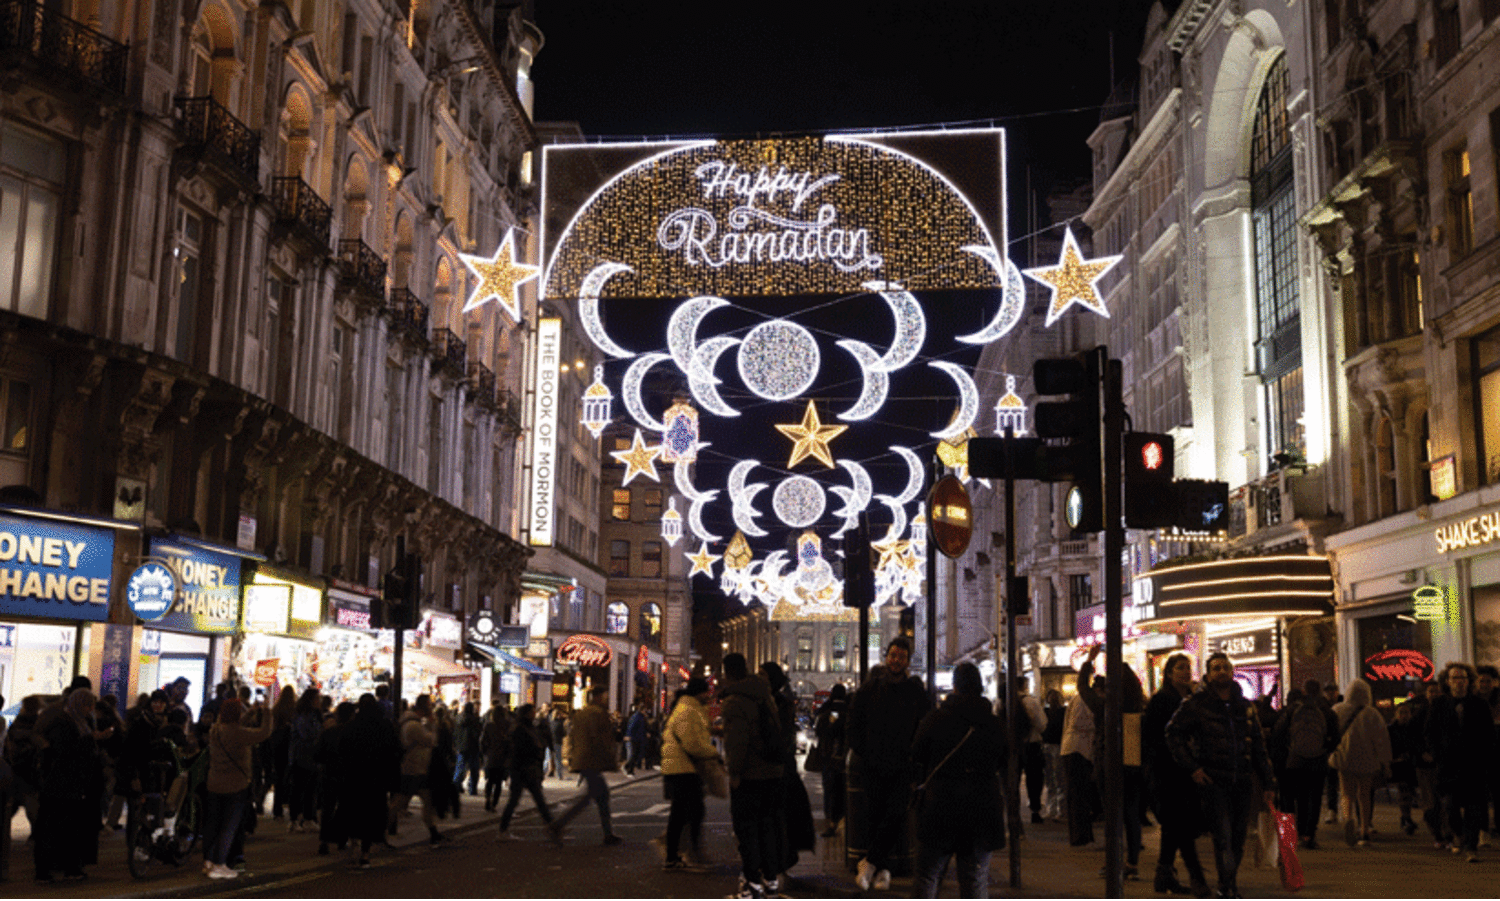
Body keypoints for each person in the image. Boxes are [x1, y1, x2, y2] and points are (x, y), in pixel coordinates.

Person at [1165, 652, 1276, 900]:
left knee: (1237, 839)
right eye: (1216, 668)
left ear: (1232, 671)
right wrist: (1192, 767)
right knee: (1223, 836)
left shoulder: (1245, 706)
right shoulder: (1197, 703)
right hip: (1214, 781)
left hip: (1243, 780)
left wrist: (1269, 781)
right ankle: (1227, 887)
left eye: (1225, 667)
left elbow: (1258, 745)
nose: (1221, 672)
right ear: (1208, 674)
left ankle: (1228, 883)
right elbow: (1173, 734)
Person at [909, 662, 1005, 899]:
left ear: (954, 687)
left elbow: (916, 754)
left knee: (927, 876)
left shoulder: (935, 719)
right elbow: (1005, 758)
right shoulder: (993, 724)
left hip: (940, 807)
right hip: (981, 809)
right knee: (974, 879)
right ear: (980, 686)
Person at [846, 636, 931, 892]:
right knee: (875, 817)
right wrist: (864, 752)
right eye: (893, 655)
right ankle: (883, 870)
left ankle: (870, 863)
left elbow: (923, 730)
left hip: (903, 766)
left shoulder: (916, 692)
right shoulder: (869, 689)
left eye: (901, 657)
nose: (896, 661)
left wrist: (916, 763)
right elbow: (853, 725)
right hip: (873, 764)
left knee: (894, 815)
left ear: (907, 661)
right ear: (886, 657)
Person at [1076, 644, 1146, 880]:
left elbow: (1082, 686)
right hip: (1133, 765)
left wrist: (1089, 660)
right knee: (1132, 815)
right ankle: (1132, 863)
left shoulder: (1105, 708)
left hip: (1109, 765)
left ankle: (1114, 862)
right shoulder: (1137, 710)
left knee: (1113, 815)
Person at [720, 652, 784, 900]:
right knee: (767, 827)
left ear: (728, 673)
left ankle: (752, 886)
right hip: (772, 772)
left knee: (747, 831)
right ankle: (771, 882)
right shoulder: (765, 694)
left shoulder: (735, 700)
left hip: (750, 774)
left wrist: (734, 773)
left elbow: (737, 743)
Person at [1144, 653, 1207, 897]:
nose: (1185, 672)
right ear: (1169, 673)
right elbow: (1152, 737)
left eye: (1188, 667)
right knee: (1179, 824)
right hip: (1167, 772)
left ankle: (1164, 874)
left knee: (1174, 826)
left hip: (1187, 770)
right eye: (1180, 668)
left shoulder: (1190, 699)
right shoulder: (1162, 700)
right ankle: (1197, 877)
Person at [33, 689, 107, 883]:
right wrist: (92, 739)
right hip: (60, 783)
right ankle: (50, 870)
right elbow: (65, 751)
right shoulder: (64, 722)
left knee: (68, 827)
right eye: (87, 704)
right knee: (58, 827)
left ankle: (67, 867)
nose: (90, 709)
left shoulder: (80, 722)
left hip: (72, 783)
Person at [1427, 661, 1495, 861]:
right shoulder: (1439, 705)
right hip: (1448, 766)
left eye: (1463, 678)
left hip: (1473, 765)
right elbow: (1430, 732)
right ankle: (1459, 834)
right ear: (1447, 682)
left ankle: (1471, 846)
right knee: (1450, 806)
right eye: (1455, 678)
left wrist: (1485, 757)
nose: (1459, 682)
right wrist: (1437, 753)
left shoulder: (1479, 704)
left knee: (1474, 807)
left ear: (1469, 681)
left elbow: (1488, 734)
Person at [203, 698, 273, 880]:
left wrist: (250, 712)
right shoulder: (240, 733)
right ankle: (220, 864)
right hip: (235, 785)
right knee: (229, 827)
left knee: (213, 825)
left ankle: (208, 861)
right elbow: (264, 733)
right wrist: (266, 712)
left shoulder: (215, 730)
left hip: (213, 783)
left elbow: (233, 723)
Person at [761, 661, 814, 888]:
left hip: (778, 770)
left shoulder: (777, 703)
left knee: (777, 819)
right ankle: (778, 864)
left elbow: (778, 738)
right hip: (780, 768)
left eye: (763, 675)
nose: (759, 678)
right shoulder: (775, 701)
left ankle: (778, 865)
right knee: (777, 819)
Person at [1271, 678, 1338, 850]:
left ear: (1305, 690)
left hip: (1295, 759)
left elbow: (1277, 732)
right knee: (1314, 798)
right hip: (1319, 759)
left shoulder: (1294, 708)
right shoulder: (1326, 710)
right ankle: (1310, 835)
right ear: (1320, 691)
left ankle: (1294, 835)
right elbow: (1336, 736)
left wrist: (1289, 746)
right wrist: (1325, 747)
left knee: (1299, 797)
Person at [551, 686, 621, 845]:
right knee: (595, 797)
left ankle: (607, 833)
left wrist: (571, 755)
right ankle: (558, 825)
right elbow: (599, 738)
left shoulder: (581, 714)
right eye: (605, 695)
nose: (606, 698)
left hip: (583, 759)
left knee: (597, 796)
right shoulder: (597, 713)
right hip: (592, 759)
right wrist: (609, 759)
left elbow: (573, 736)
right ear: (598, 696)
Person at [661, 677, 718, 869]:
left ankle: (676, 853)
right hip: (682, 768)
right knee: (691, 812)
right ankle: (685, 853)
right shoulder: (688, 711)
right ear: (699, 693)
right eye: (706, 692)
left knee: (684, 813)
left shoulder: (690, 709)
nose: (709, 695)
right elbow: (693, 744)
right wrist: (714, 754)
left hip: (681, 767)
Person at [339, 694, 399, 868]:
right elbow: (394, 752)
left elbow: (342, 751)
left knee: (354, 811)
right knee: (372, 814)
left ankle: (353, 844)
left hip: (354, 776)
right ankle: (365, 852)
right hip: (376, 777)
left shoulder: (351, 726)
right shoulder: (384, 726)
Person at [1330, 678, 1392, 846]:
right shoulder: (1372, 714)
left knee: (1346, 793)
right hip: (1367, 759)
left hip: (1344, 757)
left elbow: (1331, 733)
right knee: (1364, 795)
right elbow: (1381, 739)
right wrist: (1385, 761)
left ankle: (1347, 818)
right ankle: (1364, 829)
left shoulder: (1337, 710)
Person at [387, 693, 446, 846]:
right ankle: (380, 831)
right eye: (429, 704)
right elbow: (431, 740)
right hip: (412, 770)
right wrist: (433, 725)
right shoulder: (413, 725)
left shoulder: (414, 722)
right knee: (398, 804)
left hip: (418, 769)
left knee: (426, 801)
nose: (431, 707)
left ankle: (434, 833)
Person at [498, 704, 555, 838]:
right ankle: (502, 830)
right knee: (520, 800)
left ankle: (552, 826)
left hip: (526, 768)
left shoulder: (527, 726)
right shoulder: (520, 728)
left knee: (536, 799)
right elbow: (519, 749)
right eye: (532, 711)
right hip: (522, 768)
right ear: (527, 713)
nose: (534, 713)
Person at [811, 682, 849, 836]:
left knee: (829, 787)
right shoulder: (848, 709)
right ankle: (841, 816)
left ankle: (830, 817)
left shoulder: (829, 711)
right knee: (842, 787)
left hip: (829, 756)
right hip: (844, 755)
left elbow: (823, 730)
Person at [287, 687, 322, 832]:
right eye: (317, 698)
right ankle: (296, 819)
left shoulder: (308, 714)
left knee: (307, 789)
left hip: (306, 756)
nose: (319, 701)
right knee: (300, 789)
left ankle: (306, 818)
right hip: (302, 756)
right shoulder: (304, 716)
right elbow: (306, 734)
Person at [1014, 679, 1047, 826]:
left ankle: (1014, 813)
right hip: (1031, 745)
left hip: (1013, 746)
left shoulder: (1003, 702)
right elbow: (1042, 724)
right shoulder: (1031, 702)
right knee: (1034, 779)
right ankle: (1035, 811)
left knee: (1012, 780)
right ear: (1024, 686)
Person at [480, 704, 513, 812]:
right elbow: (510, 741)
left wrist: (484, 752)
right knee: (498, 782)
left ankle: (487, 799)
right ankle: (494, 803)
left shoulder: (488, 724)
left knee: (490, 780)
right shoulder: (507, 724)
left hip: (490, 756)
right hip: (502, 757)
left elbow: (482, 740)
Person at [1041, 688, 1066, 822]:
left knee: (1059, 777)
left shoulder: (1063, 712)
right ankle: (1052, 809)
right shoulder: (1045, 711)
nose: (1052, 700)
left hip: (1057, 745)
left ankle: (1060, 810)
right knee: (1050, 778)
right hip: (1049, 745)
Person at [453, 701, 483, 797]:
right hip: (473, 747)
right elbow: (477, 734)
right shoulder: (474, 719)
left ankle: (455, 787)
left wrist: (456, 744)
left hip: (461, 747)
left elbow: (455, 733)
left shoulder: (457, 718)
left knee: (459, 769)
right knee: (474, 770)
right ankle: (472, 789)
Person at [625, 704, 648, 775]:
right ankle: (629, 769)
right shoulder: (636, 717)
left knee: (636, 754)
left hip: (639, 738)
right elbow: (631, 726)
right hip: (635, 738)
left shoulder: (640, 717)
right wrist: (629, 735)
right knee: (634, 754)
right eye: (645, 710)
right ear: (642, 710)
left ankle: (629, 768)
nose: (645, 711)